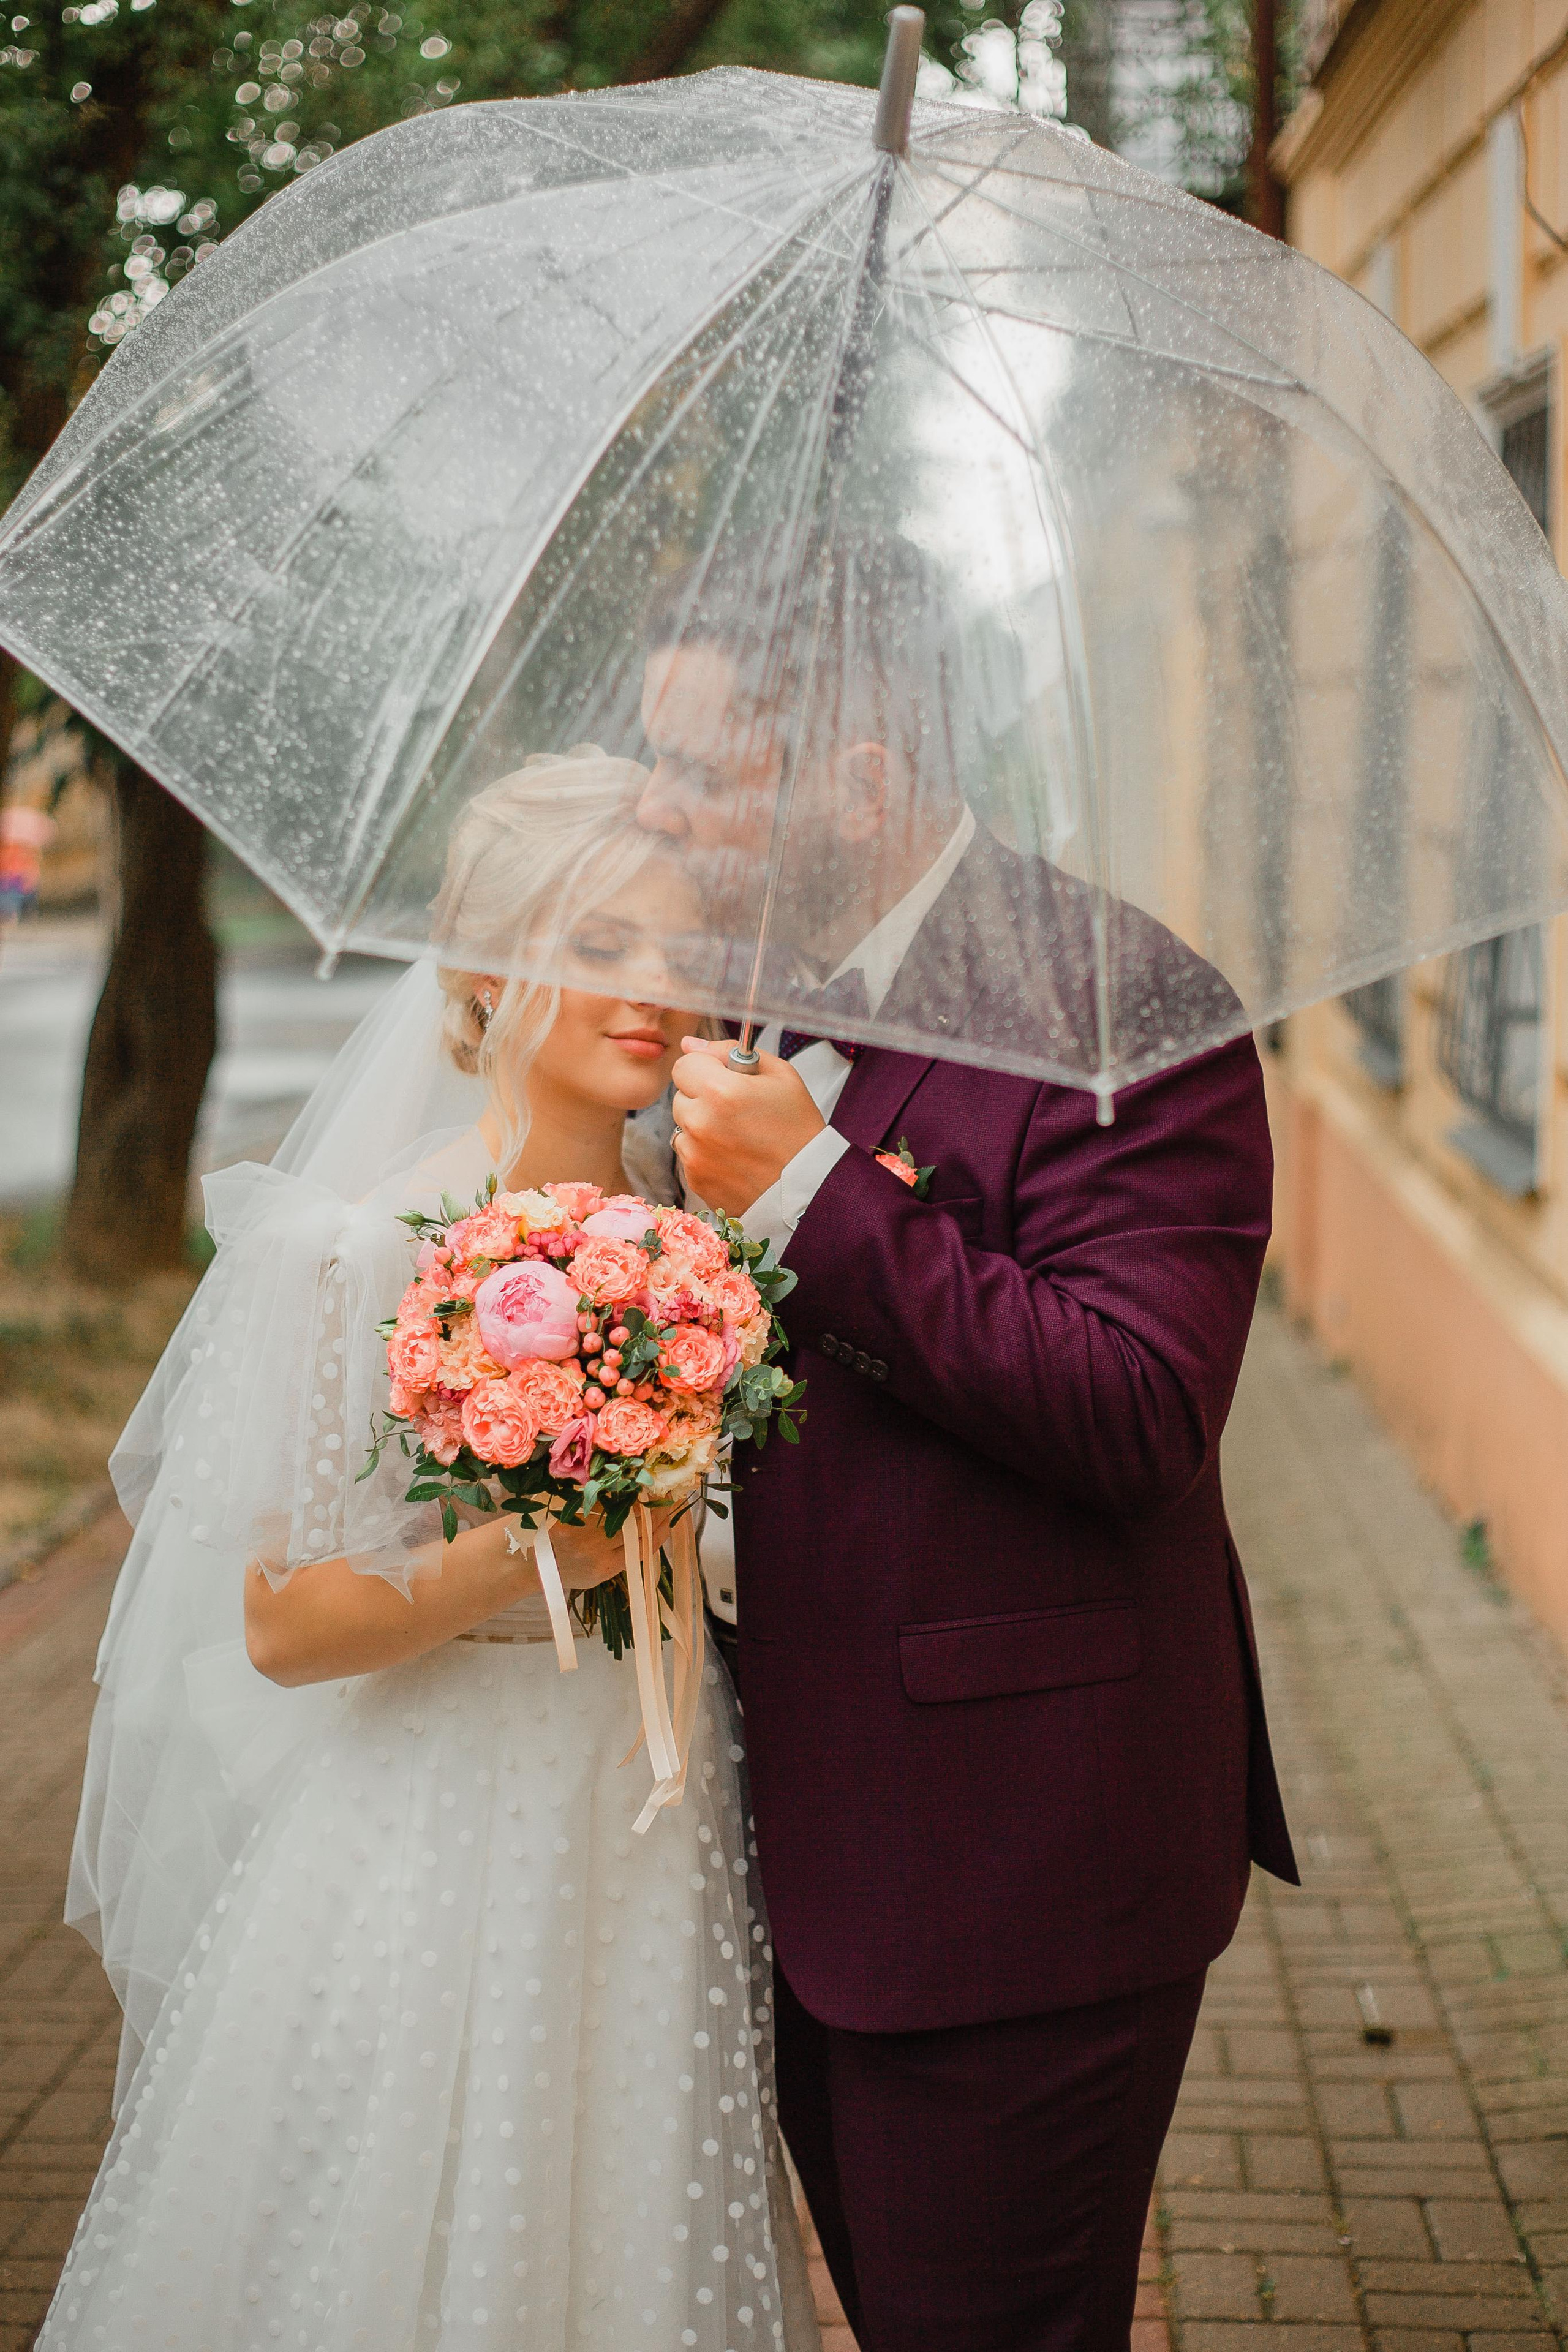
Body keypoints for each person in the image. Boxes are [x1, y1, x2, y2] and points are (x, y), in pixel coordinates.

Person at [39, 748, 818, 2352]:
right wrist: (541, 1554)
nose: (654, 991)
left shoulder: (703, 1242)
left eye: (678, 950)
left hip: (653, 1807)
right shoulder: (359, 1249)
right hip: (444, 1824)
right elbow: (281, 1623)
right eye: (600, 945)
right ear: (479, 968)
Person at [637, 533, 1300, 2352]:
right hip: (797, 1839)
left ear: (863, 780)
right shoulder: (750, 988)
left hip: (1012, 1863)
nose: (663, 813)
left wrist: (811, 1193)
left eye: (702, 772)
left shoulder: (1119, 1007)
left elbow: (1140, 1405)